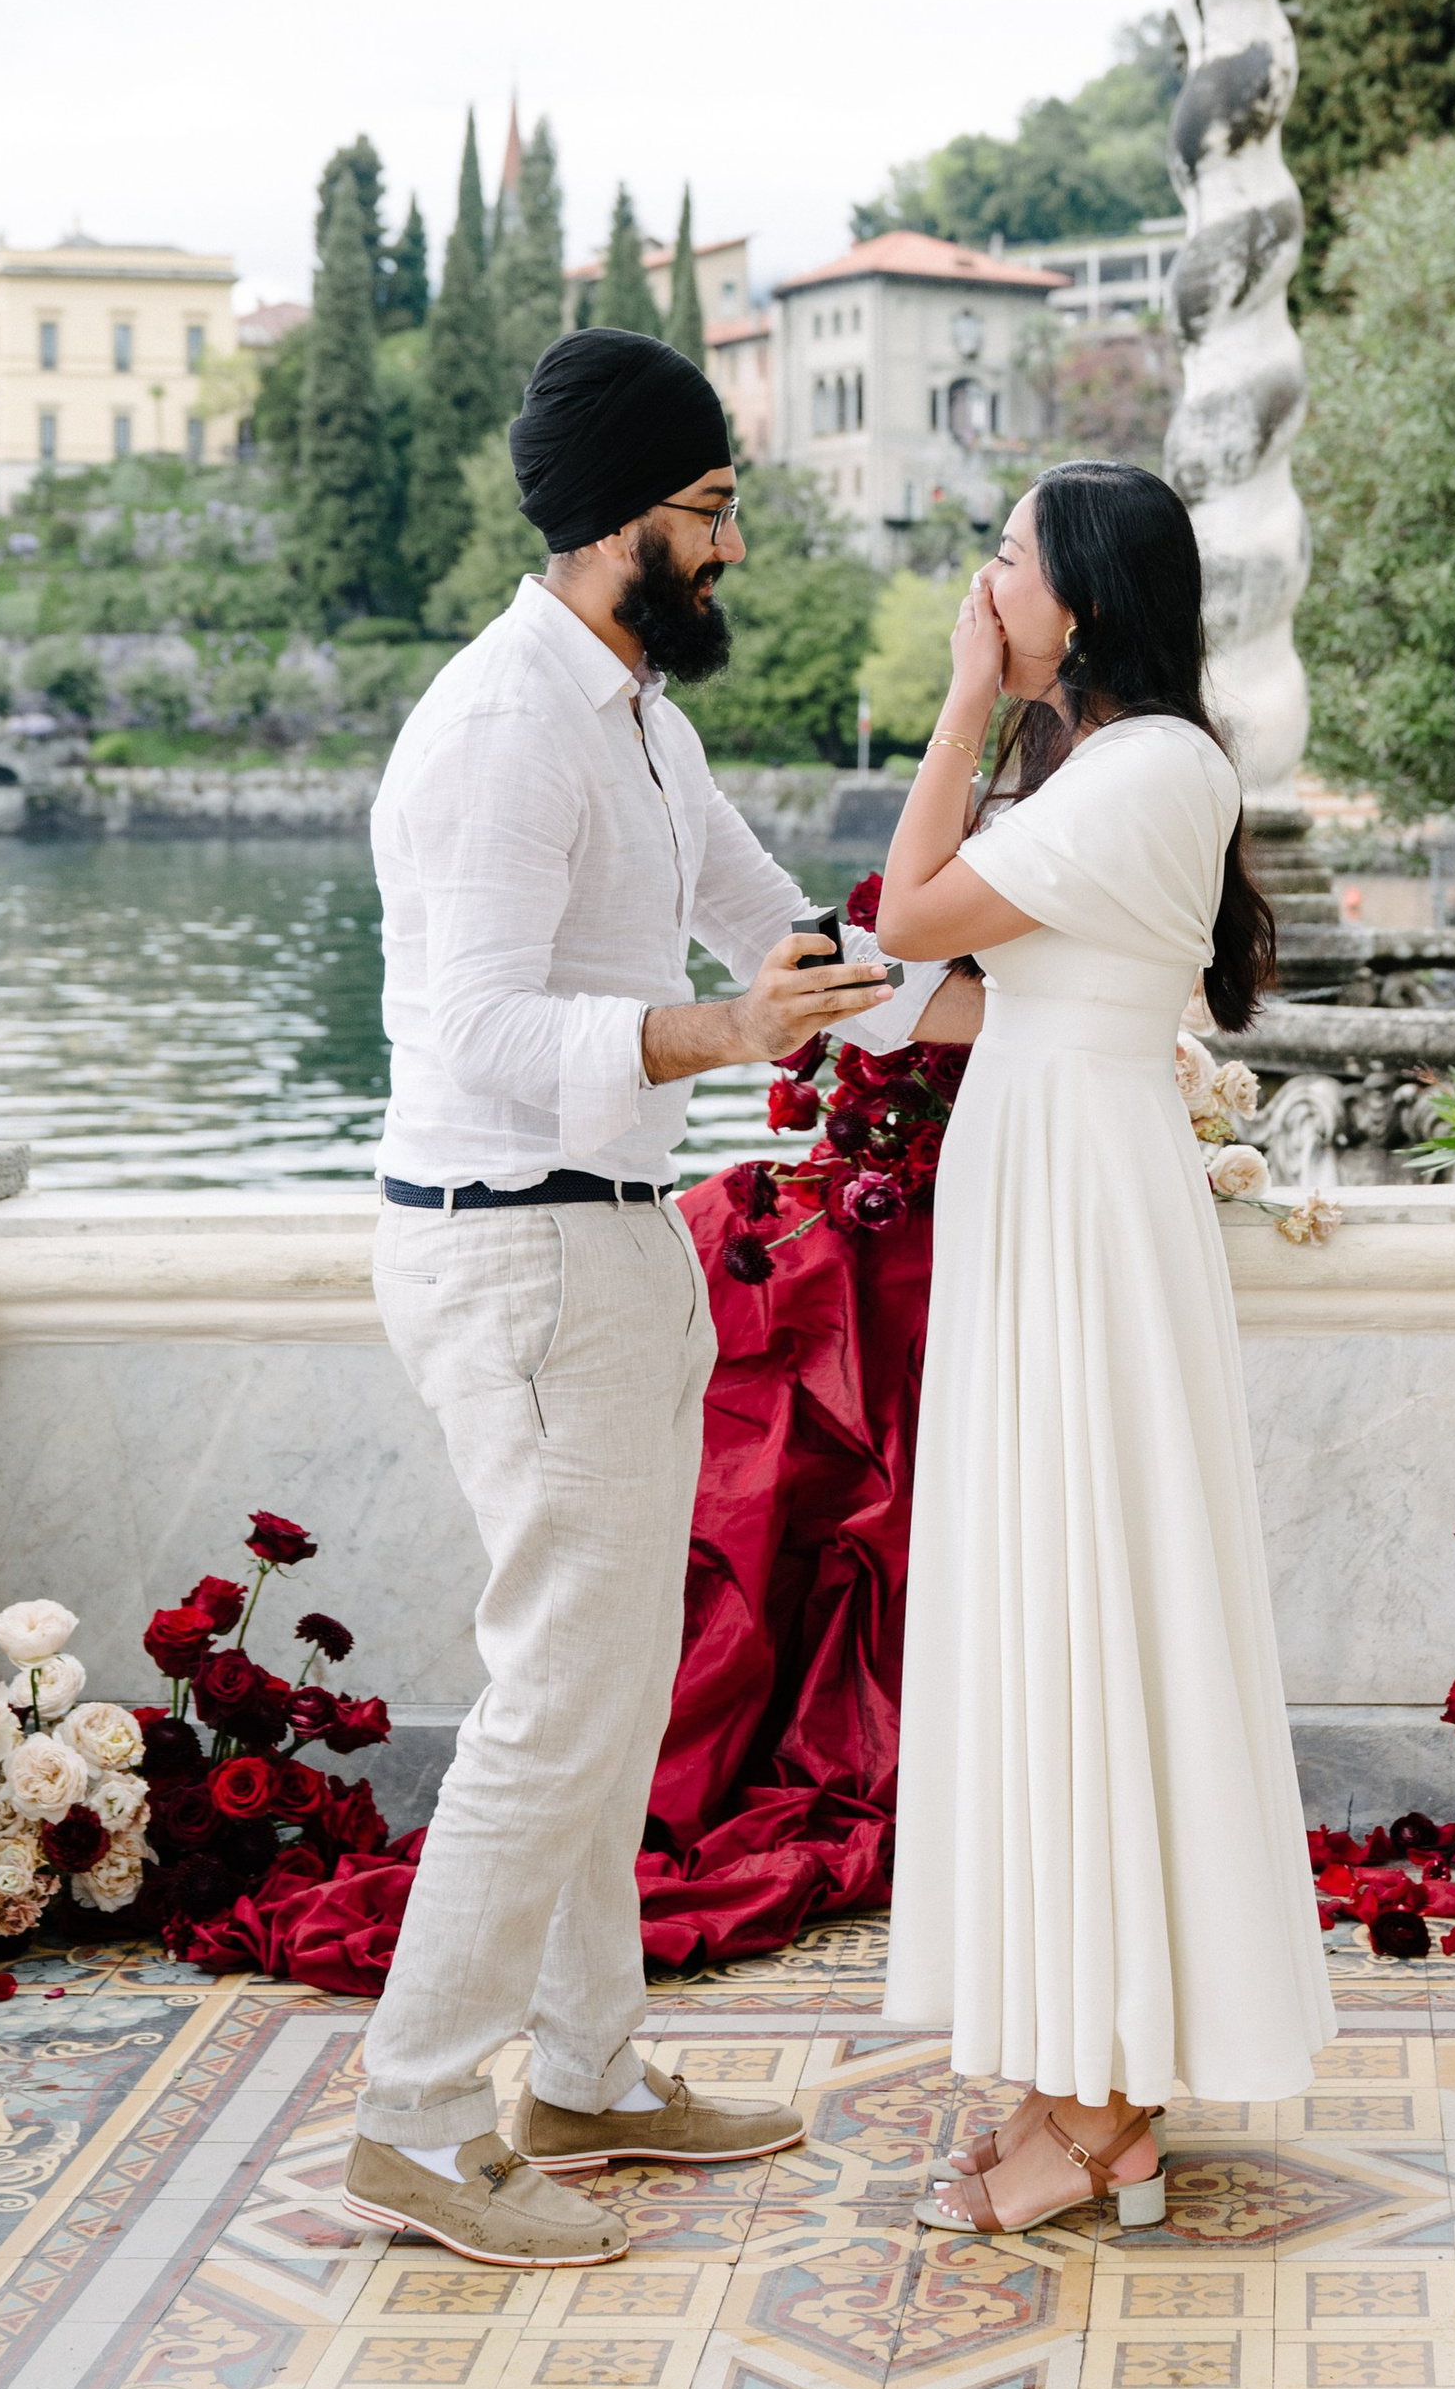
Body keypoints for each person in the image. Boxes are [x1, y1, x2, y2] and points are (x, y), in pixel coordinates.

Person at [342, 327, 896, 2271]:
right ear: (615, 524)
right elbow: (473, 1030)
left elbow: (768, 915)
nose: (730, 548)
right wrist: (722, 1030)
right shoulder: (501, 727)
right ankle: (417, 2117)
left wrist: (942, 959)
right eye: (711, 511)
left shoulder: (633, 711)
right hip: (512, 1245)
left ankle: (582, 2067)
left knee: (605, 1686)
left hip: (607, 1237)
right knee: (557, 1698)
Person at [877, 460, 1335, 2238]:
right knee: (1049, 1605)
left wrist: (957, 700)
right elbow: (988, 984)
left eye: (1008, 560)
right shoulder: (1120, 776)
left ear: (1085, 598)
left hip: (1076, 1198)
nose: (986, 582)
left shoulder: (1148, 766)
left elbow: (917, 914)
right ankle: (1084, 2078)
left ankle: (1106, 2104)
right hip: (1050, 1171)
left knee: (1087, 1603)